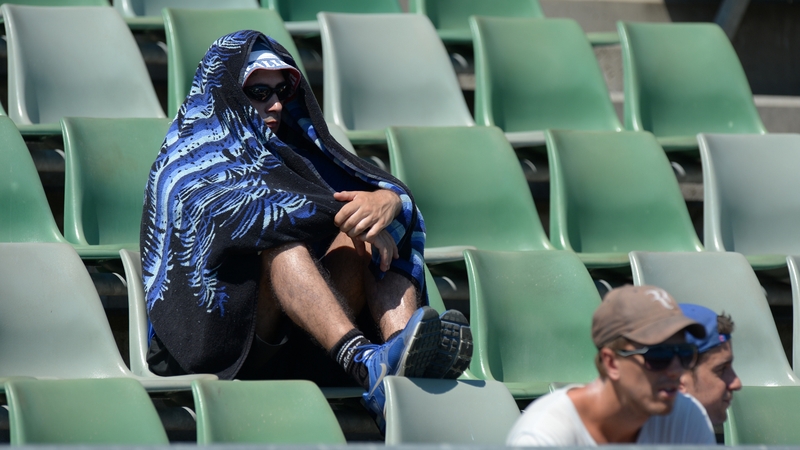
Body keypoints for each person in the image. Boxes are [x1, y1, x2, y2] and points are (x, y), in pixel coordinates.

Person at [139, 30, 472, 425]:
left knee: (366, 230)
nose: (276, 103)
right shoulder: (187, 158)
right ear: (225, 93)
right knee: (284, 243)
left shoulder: (291, 150)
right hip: (217, 341)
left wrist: (388, 201)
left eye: (282, 90)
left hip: (294, 337)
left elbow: (367, 191)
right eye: (259, 92)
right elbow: (254, 211)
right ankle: (368, 363)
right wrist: (350, 212)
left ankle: (401, 364)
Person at [507, 285, 716, 446]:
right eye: (659, 356)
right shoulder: (545, 437)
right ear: (611, 362)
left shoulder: (687, 415)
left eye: (685, 354)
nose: (676, 370)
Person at [679, 304, 742, 425]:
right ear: (677, 378)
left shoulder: (697, 431)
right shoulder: (638, 439)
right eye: (721, 370)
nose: (737, 384)